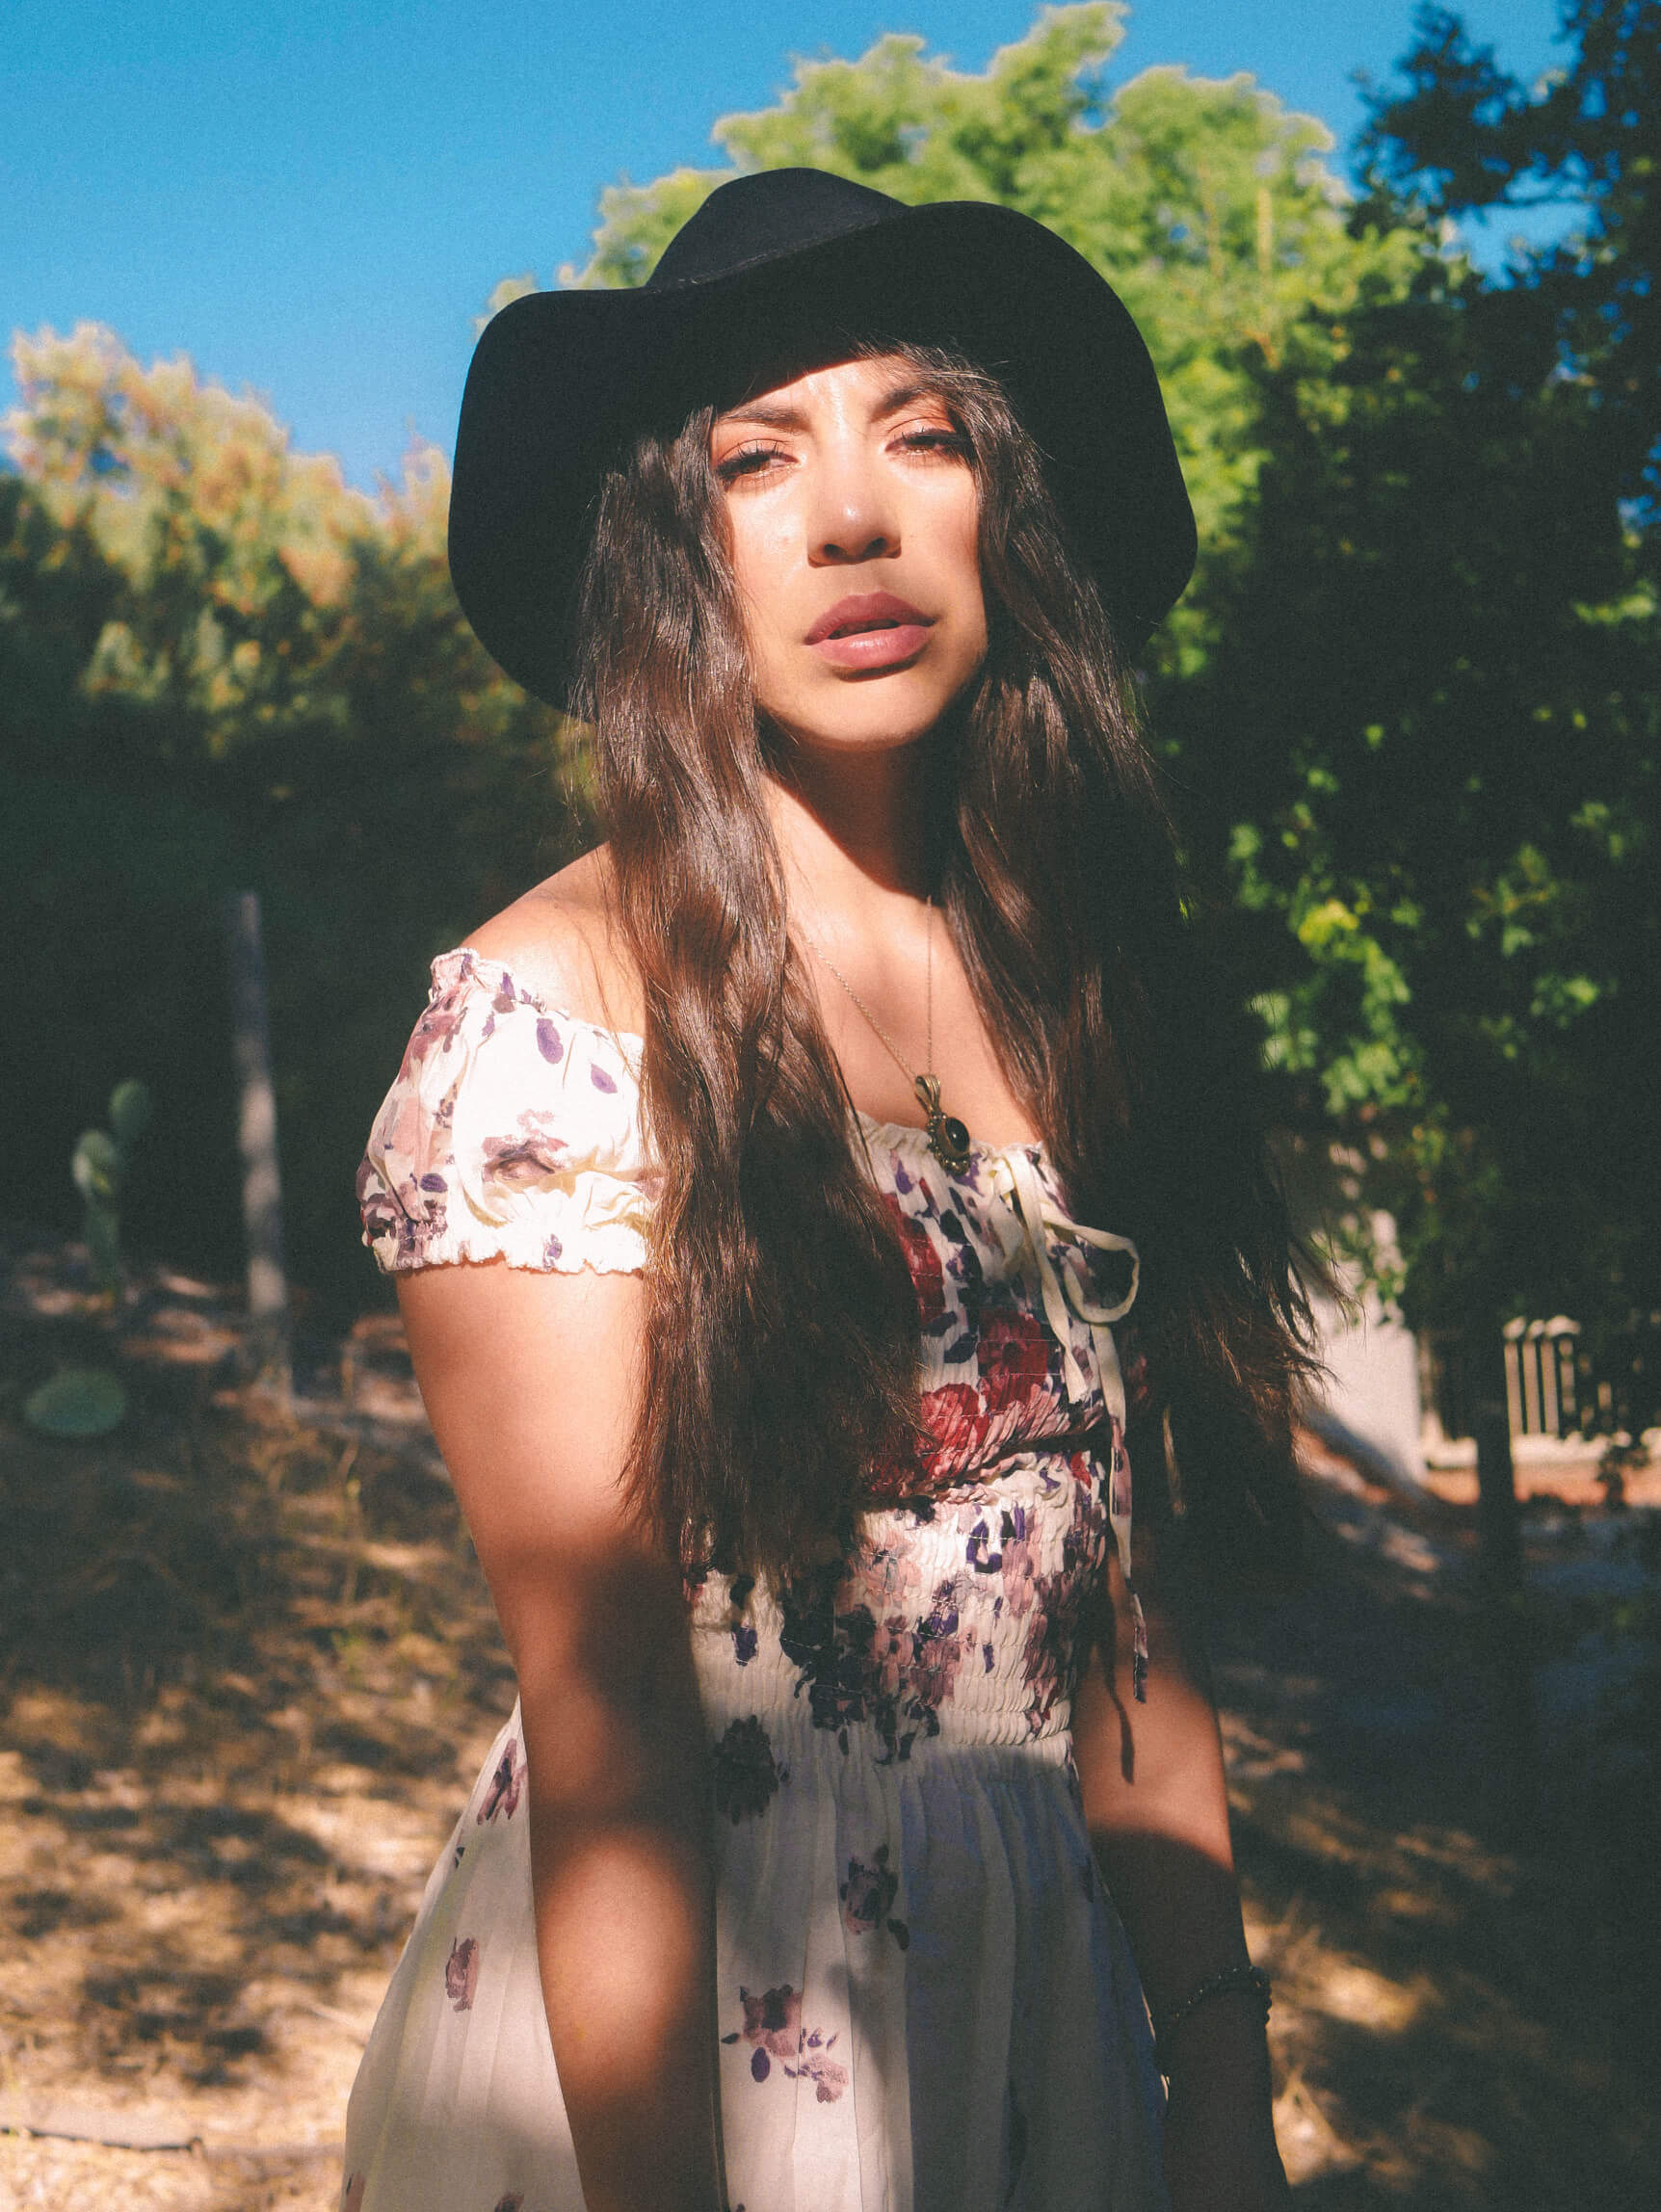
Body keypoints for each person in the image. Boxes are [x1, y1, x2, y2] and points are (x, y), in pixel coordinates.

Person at [344, 168, 1313, 2212]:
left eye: (921, 433)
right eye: (755, 460)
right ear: (667, 556)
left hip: (1043, 2024)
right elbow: (610, 1730)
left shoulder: (1077, 980)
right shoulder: (547, 1028)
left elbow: (1122, 1611)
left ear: (1003, 506)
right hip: (702, 2057)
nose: (852, 517)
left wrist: (1221, 2076)